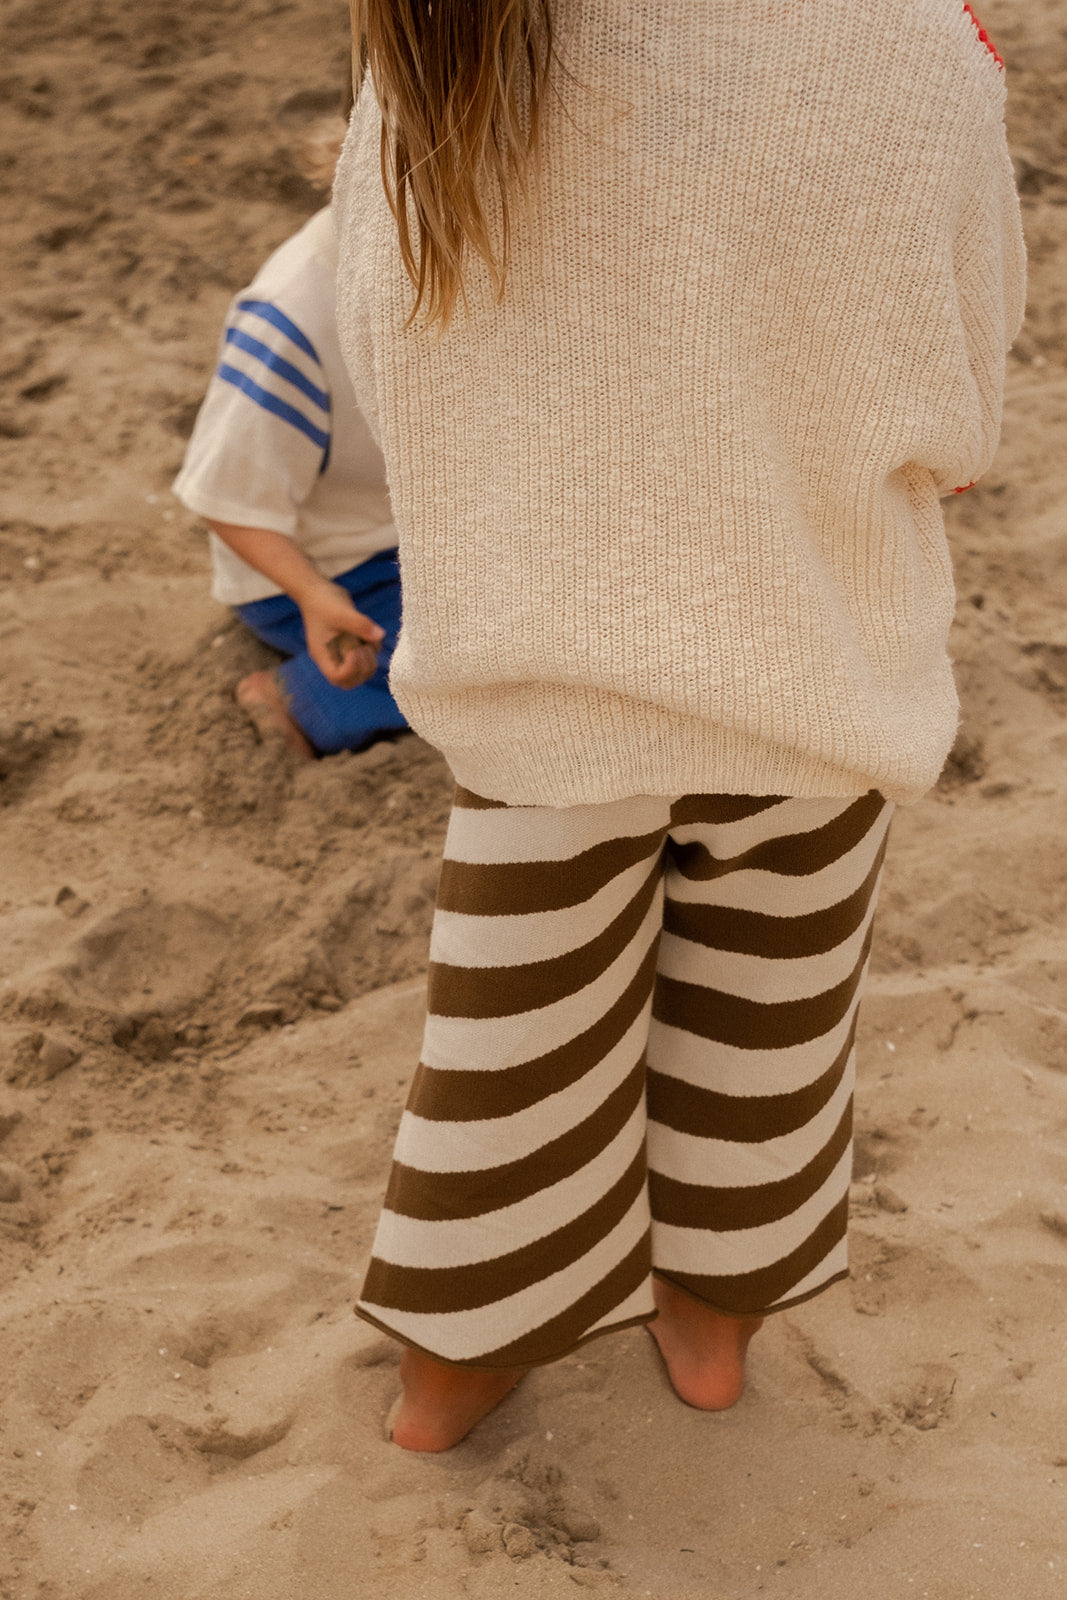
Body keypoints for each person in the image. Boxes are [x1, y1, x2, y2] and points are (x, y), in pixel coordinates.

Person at [332, 0, 1025, 1450]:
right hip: (814, 665)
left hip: (545, 689)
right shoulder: (919, 39)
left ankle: (448, 1385)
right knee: (764, 1060)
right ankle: (707, 1338)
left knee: (509, 1087)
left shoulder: (452, 27)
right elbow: (964, 402)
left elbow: (379, 349)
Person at [173, 116, 406, 760]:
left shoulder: (440, 273)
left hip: (412, 528)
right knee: (474, 659)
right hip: (323, 568)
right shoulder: (292, 321)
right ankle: (299, 700)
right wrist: (312, 593)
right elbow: (224, 499)